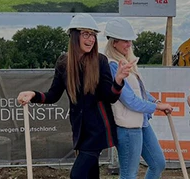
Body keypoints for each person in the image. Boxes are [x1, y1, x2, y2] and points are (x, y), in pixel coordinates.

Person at [17, 13, 134, 179]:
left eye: (93, 34)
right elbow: (53, 95)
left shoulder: (100, 61)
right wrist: (33, 95)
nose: (91, 39)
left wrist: (119, 80)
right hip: (80, 130)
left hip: (99, 129)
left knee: (77, 175)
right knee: (91, 175)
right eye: (86, 34)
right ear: (74, 36)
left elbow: (110, 97)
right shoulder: (63, 63)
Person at [104, 17, 173, 179]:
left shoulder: (127, 62)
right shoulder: (113, 65)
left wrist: (156, 101)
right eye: (125, 41)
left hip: (140, 123)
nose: (129, 44)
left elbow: (140, 92)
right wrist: (157, 107)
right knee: (129, 174)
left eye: (130, 41)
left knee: (158, 163)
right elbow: (129, 100)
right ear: (114, 43)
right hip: (127, 127)